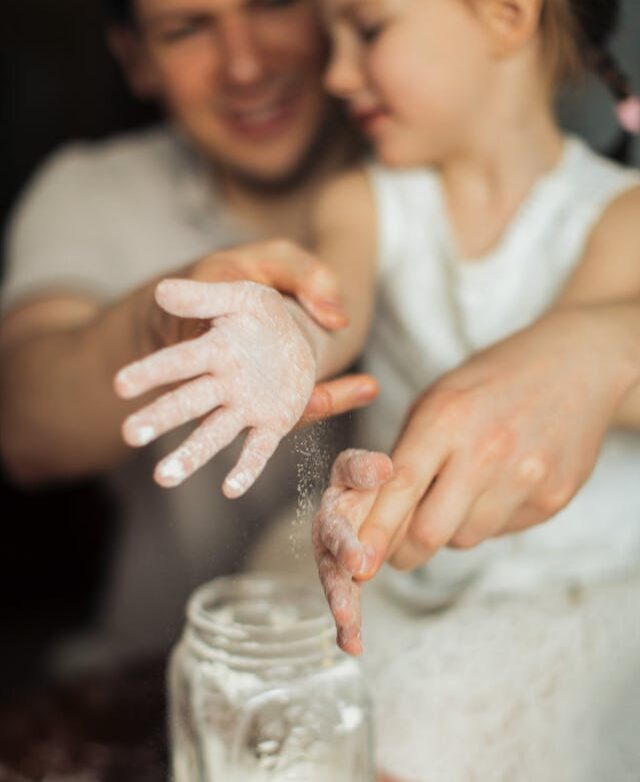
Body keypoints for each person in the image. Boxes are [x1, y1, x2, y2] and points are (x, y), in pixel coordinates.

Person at [115, 0, 640, 782]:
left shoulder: (620, 215)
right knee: (260, 706)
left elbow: (577, 375)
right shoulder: (365, 202)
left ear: (507, 15)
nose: (335, 75)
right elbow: (332, 306)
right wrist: (278, 332)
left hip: (574, 584)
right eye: (331, 43)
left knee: (411, 773)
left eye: (368, 32)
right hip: (404, 569)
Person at [0, 0, 378, 674]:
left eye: (271, 4)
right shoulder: (89, 191)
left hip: (390, 660)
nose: (245, 64)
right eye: (187, 29)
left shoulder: (421, 157)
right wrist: (166, 318)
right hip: (162, 662)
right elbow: (24, 428)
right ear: (136, 61)